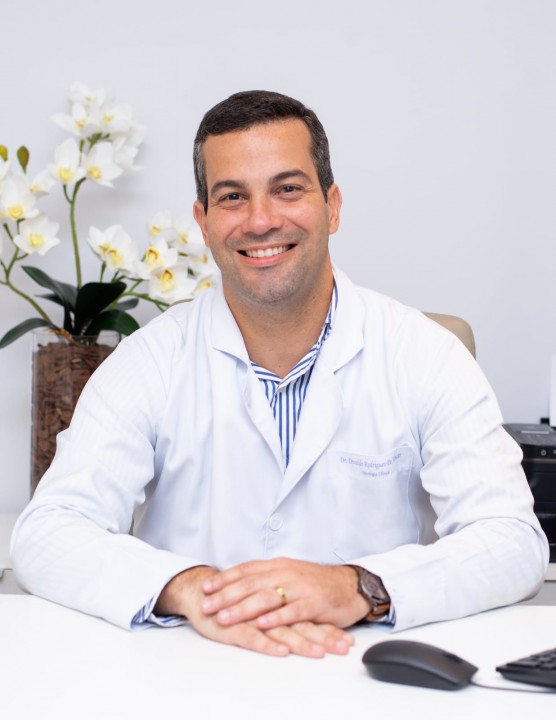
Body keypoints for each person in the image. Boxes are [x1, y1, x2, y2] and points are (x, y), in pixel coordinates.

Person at [11, 90, 548, 659]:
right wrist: (192, 588)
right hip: (189, 667)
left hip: (361, 668)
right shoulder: (149, 360)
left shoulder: (425, 354)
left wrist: (357, 587)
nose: (262, 220)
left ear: (332, 206)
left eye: (287, 189)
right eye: (232, 197)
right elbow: (49, 531)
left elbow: (511, 541)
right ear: (203, 222)